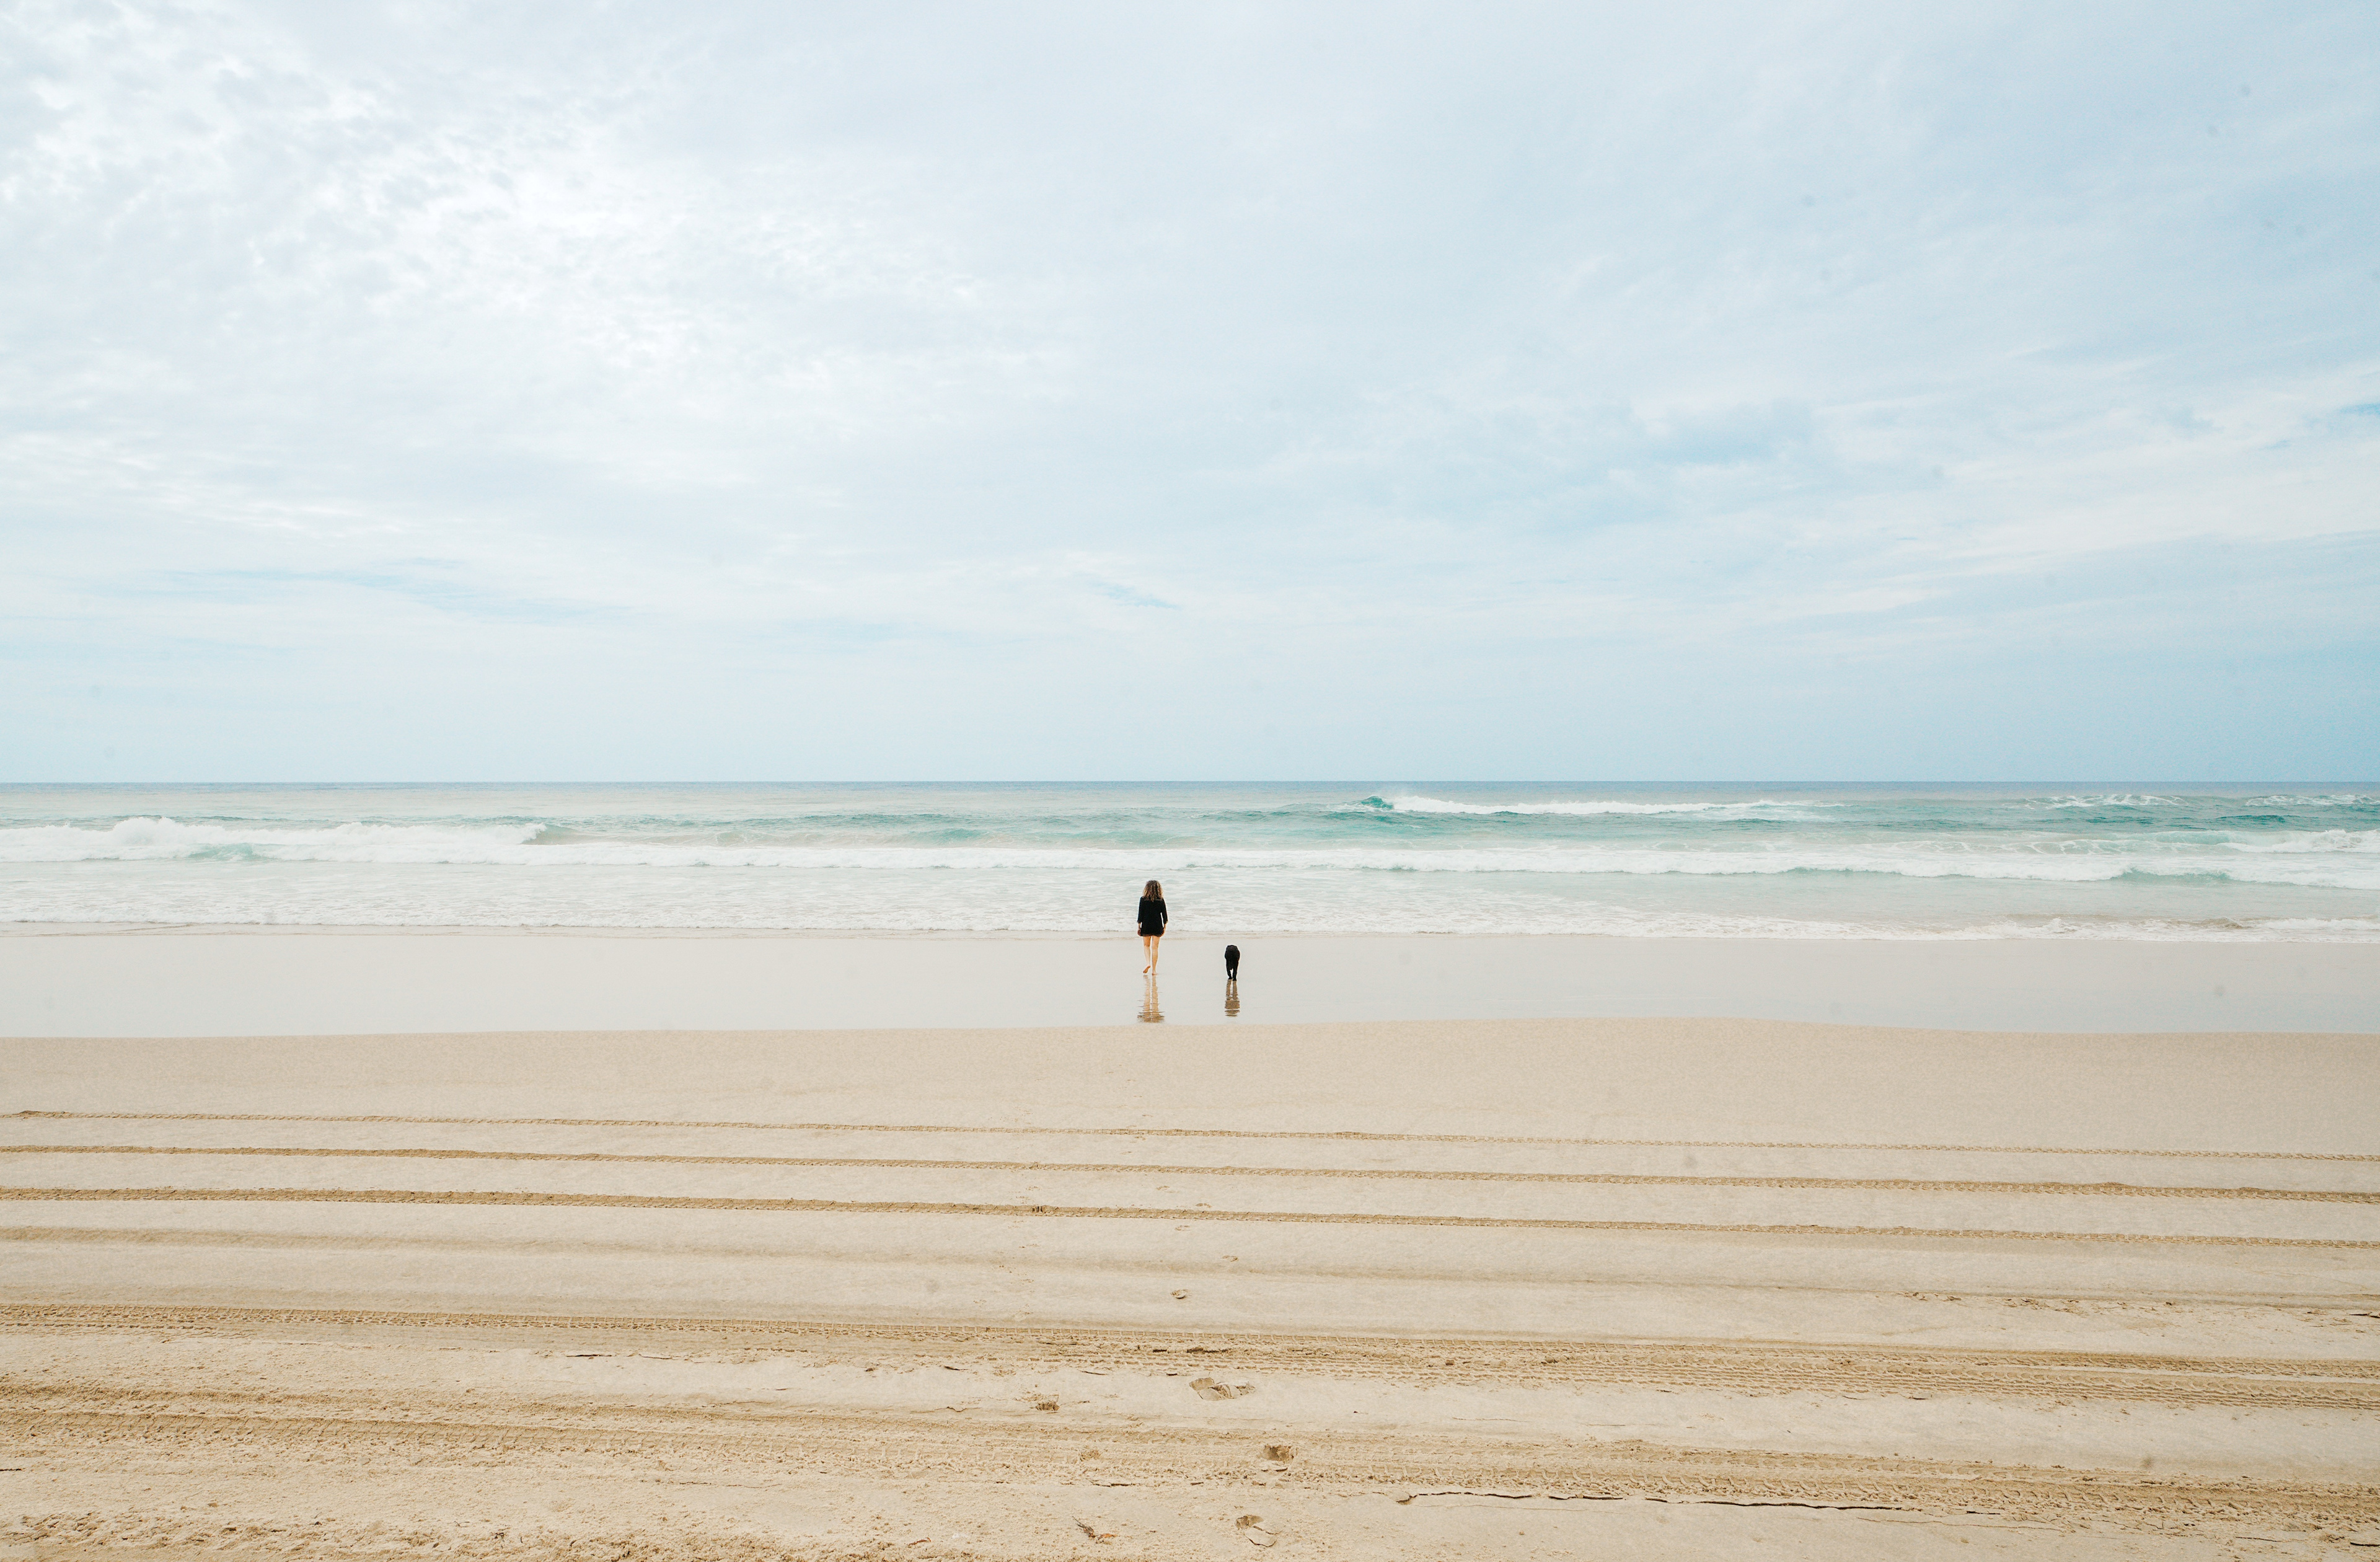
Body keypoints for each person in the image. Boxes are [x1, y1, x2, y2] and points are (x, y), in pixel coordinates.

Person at [1137, 878, 1168, 974]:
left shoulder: (1143, 900)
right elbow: (1165, 915)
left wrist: (1139, 926)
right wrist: (1165, 927)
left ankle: (1147, 963)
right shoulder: (1161, 900)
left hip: (1146, 925)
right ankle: (1154, 970)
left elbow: (1140, 914)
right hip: (1158, 925)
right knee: (1155, 948)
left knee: (1146, 946)